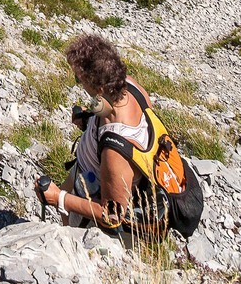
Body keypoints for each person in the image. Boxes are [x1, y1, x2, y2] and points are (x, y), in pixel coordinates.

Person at [35, 33, 155, 233]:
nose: (78, 83)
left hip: (92, 200)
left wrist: (59, 198)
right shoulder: (129, 86)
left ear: (99, 88)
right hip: (87, 172)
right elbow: (115, 111)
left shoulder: (115, 153)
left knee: (72, 235)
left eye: (79, 79)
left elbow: (112, 214)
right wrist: (89, 118)